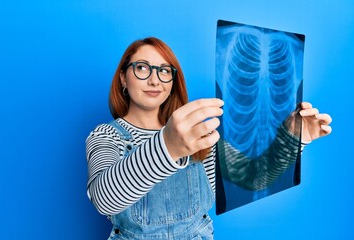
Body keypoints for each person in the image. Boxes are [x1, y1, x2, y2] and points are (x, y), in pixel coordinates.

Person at [86, 37, 332, 240]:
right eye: (142, 68)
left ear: (173, 81)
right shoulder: (107, 136)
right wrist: (168, 147)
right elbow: (104, 199)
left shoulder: (198, 133)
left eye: (164, 71)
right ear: (122, 78)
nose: (154, 79)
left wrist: (294, 137)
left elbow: (251, 176)